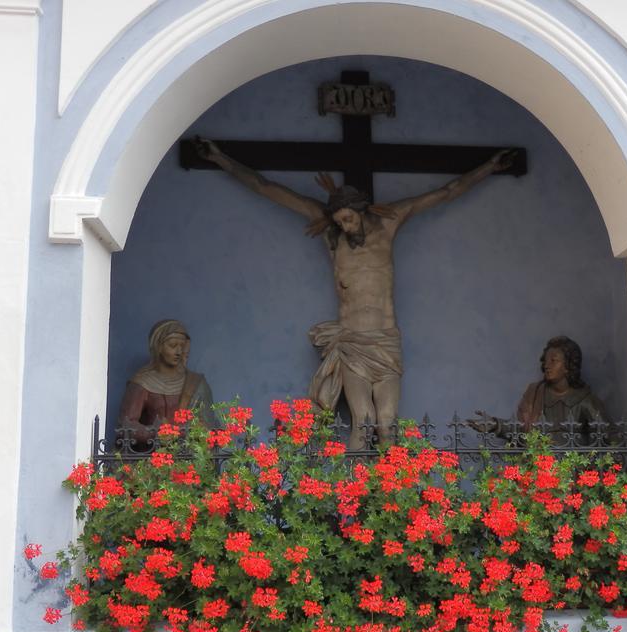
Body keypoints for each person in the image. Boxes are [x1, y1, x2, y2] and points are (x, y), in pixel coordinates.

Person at [196, 137, 514, 449]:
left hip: (386, 340)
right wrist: (220, 159)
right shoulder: (332, 237)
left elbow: (446, 193)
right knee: (362, 421)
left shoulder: (388, 225)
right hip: (352, 343)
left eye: (348, 218)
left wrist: (489, 167)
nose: (345, 226)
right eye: (338, 221)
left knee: (388, 423)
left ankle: (389, 495)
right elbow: (267, 188)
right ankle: (355, 496)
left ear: (360, 209)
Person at [472, 335, 607, 445]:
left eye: (554, 361)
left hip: (572, 474)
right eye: (545, 361)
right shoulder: (535, 393)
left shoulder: (585, 400)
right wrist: (496, 425)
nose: (547, 365)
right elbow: (523, 431)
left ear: (568, 365)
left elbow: (608, 439)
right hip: (539, 472)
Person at [117, 319, 215, 449]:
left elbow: (209, 424)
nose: (179, 352)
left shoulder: (196, 382)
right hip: (154, 457)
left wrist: (198, 428)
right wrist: (154, 433)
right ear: (158, 347)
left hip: (190, 457)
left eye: (182, 346)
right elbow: (125, 424)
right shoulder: (142, 381)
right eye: (173, 345)